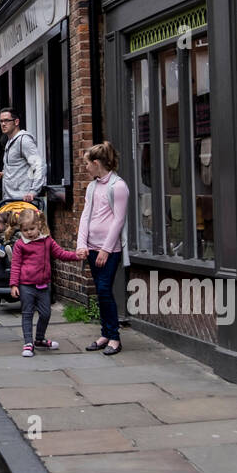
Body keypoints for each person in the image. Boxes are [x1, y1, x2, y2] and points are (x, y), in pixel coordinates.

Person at [76, 141, 130, 354]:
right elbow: (85, 216)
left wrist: (106, 249)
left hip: (109, 250)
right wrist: (82, 243)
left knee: (105, 290)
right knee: (100, 291)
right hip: (91, 248)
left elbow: (119, 220)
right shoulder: (92, 186)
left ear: (97, 163)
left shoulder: (118, 186)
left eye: (87, 163)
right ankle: (105, 334)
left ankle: (114, 338)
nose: (86, 167)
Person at [9, 209, 82, 357]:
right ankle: (28, 343)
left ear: (39, 225)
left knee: (46, 313)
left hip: (43, 285)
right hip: (26, 285)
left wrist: (76, 256)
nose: (29, 232)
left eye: (32, 229)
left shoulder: (47, 240)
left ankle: (40, 339)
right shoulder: (20, 244)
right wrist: (14, 285)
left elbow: (60, 253)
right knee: (27, 313)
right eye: (25, 230)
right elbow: (15, 265)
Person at [0, 107, 44, 204]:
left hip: (24, 203)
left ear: (16, 122)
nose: (3, 124)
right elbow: (19, 167)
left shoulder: (24, 140)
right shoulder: (9, 142)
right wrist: (5, 173)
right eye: (1, 121)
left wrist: (33, 191)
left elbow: (40, 165)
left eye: (7, 120)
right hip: (9, 201)